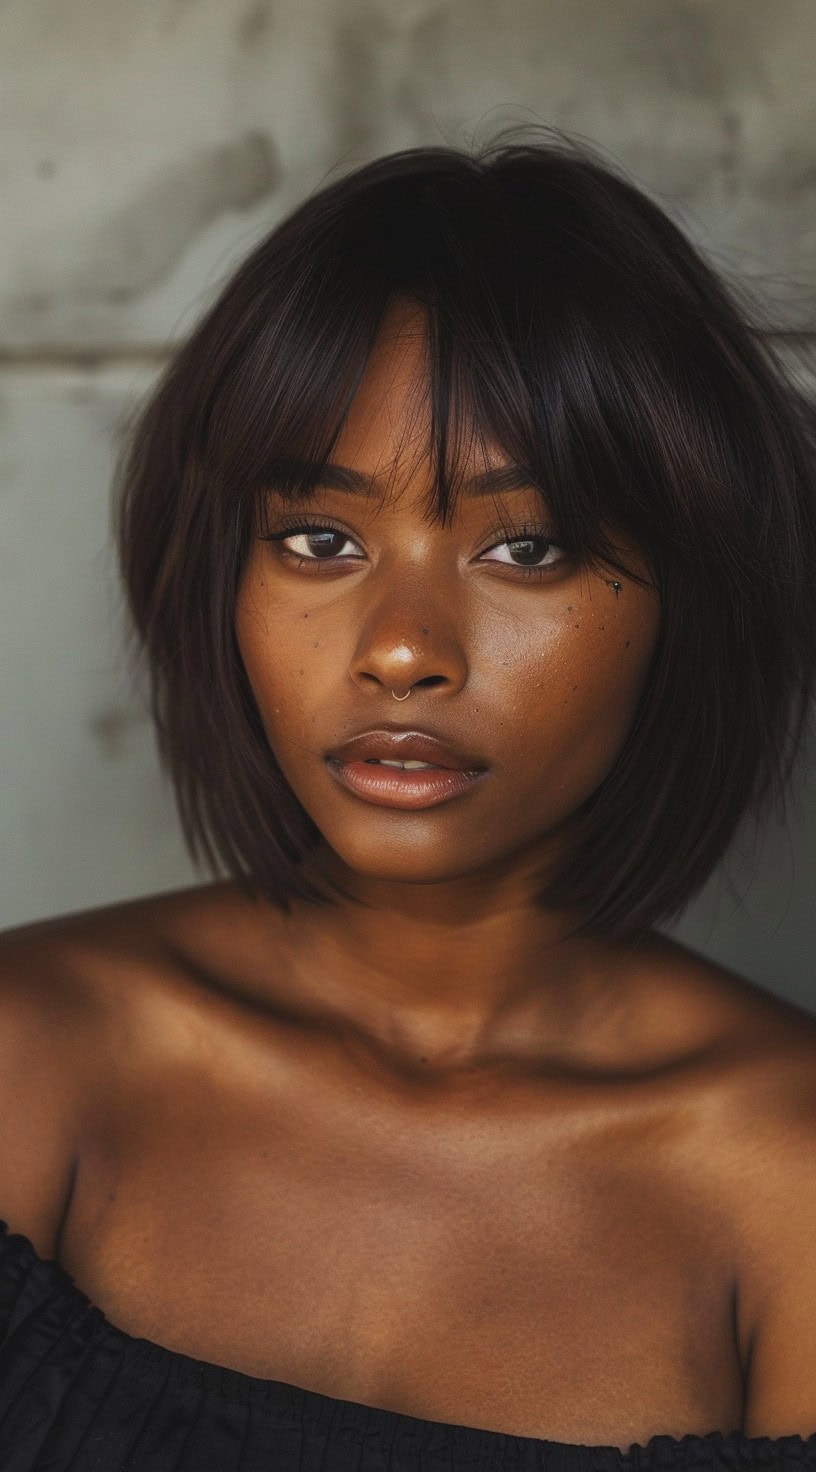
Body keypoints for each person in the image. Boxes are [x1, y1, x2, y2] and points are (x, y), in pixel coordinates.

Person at [1, 127, 815, 1471]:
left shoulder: (785, 1183)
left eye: (526, 546)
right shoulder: (30, 1057)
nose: (399, 646)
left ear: (694, 595)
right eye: (318, 540)